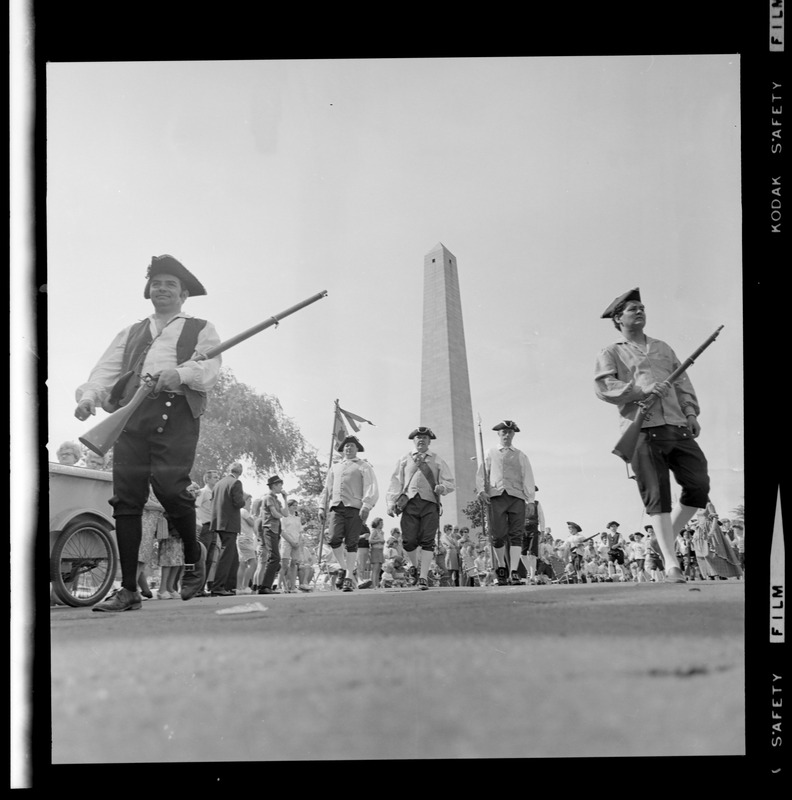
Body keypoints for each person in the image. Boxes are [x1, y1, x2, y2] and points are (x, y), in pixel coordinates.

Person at [74, 254, 221, 611]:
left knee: (171, 490)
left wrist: (181, 375)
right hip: (131, 415)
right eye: (156, 284)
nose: (162, 289)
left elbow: (209, 370)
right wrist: (90, 397)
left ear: (184, 293)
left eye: (170, 284)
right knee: (126, 500)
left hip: (176, 413)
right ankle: (128, 591)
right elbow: (106, 369)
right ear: (148, 291)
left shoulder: (201, 327)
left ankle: (192, 555)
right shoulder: (131, 330)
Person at [595, 287, 712, 585]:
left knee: (698, 485)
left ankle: (664, 539)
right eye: (633, 308)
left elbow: (682, 380)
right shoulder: (612, 352)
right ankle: (671, 564)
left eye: (642, 307)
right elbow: (604, 386)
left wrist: (691, 413)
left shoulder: (663, 347)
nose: (640, 311)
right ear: (618, 318)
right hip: (643, 428)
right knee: (657, 496)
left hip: (677, 424)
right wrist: (641, 390)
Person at [386, 426, 455, 590]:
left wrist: (442, 488)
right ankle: (416, 566)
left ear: (429, 441)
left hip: (430, 504)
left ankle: (423, 576)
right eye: (418, 437)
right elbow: (395, 482)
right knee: (409, 540)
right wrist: (390, 503)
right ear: (414, 440)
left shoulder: (437, 460)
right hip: (409, 504)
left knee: (427, 540)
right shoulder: (404, 459)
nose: (421, 440)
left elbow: (450, 482)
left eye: (424, 437)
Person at [475, 420, 536, 586]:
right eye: (504, 432)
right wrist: (481, 490)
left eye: (510, 432)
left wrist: (530, 500)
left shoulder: (521, 455)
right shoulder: (490, 452)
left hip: (516, 497)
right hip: (496, 496)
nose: (507, 435)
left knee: (517, 534)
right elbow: (481, 473)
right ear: (498, 434)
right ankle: (501, 567)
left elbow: (528, 477)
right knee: (498, 534)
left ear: (513, 434)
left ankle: (514, 570)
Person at [318, 435, 379, 592]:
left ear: (357, 448)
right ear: (342, 449)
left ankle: (348, 579)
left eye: (352, 445)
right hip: (337, 507)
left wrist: (366, 505)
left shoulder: (363, 466)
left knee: (352, 543)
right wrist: (321, 507)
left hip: (354, 507)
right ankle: (346, 570)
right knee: (333, 538)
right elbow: (327, 488)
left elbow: (370, 486)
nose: (348, 448)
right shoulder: (335, 467)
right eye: (346, 446)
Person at [209, 462, 246, 596]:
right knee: (226, 554)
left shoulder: (219, 483)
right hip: (229, 523)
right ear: (240, 472)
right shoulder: (236, 483)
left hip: (219, 522)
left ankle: (230, 585)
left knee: (233, 555)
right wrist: (244, 500)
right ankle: (218, 586)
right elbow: (238, 502)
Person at [257, 475, 290, 595]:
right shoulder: (268, 498)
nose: (281, 486)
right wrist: (280, 515)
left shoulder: (276, 499)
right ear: (274, 485)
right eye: (280, 484)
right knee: (274, 557)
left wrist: (285, 498)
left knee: (275, 557)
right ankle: (264, 586)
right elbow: (275, 514)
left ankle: (266, 586)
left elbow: (286, 513)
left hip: (276, 530)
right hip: (269, 529)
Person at [195, 469, 220, 595]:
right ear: (208, 479)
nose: (217, 479)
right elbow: (196, 507)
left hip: (214, 528)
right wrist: (198, 524)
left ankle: (201, 588)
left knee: (210, 559)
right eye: (215, 477)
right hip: (205, 527)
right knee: (202, 558)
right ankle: (197, 588)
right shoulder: (203, 492)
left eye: (217, 477)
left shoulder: (215, 493)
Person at [278, 498, 304, 593]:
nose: (295, 507)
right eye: (293, 505)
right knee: (284, 565)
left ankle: (292, 587)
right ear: (288, 507)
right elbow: (282, 531)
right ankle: (279, 586)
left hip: (296, 543)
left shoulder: (298, 518)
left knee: (294, 564)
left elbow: (300, 532)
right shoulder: (284, 518)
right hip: (286, 543)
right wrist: (291, 542)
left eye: (296, 505)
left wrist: (298, 542)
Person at [235, 494, 258, 594]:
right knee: (253, 563)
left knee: (242, 564)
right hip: (245, 539)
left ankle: (239, 587)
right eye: (249, 500)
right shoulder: (244, 511)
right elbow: (253, 523)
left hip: (242, 539)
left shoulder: (240, 512)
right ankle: (244, 586)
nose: (251, 502)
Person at [368, 517, 386, 589]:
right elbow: (370, 540)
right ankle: (374, 585)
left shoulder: (381, 532)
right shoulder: (374, 531)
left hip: (380, 550)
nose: (382, 524)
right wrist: (379, 541)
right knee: (375, 568)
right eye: (381, 523)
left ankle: (377, 584)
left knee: (379, 568)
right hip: (375, 550)